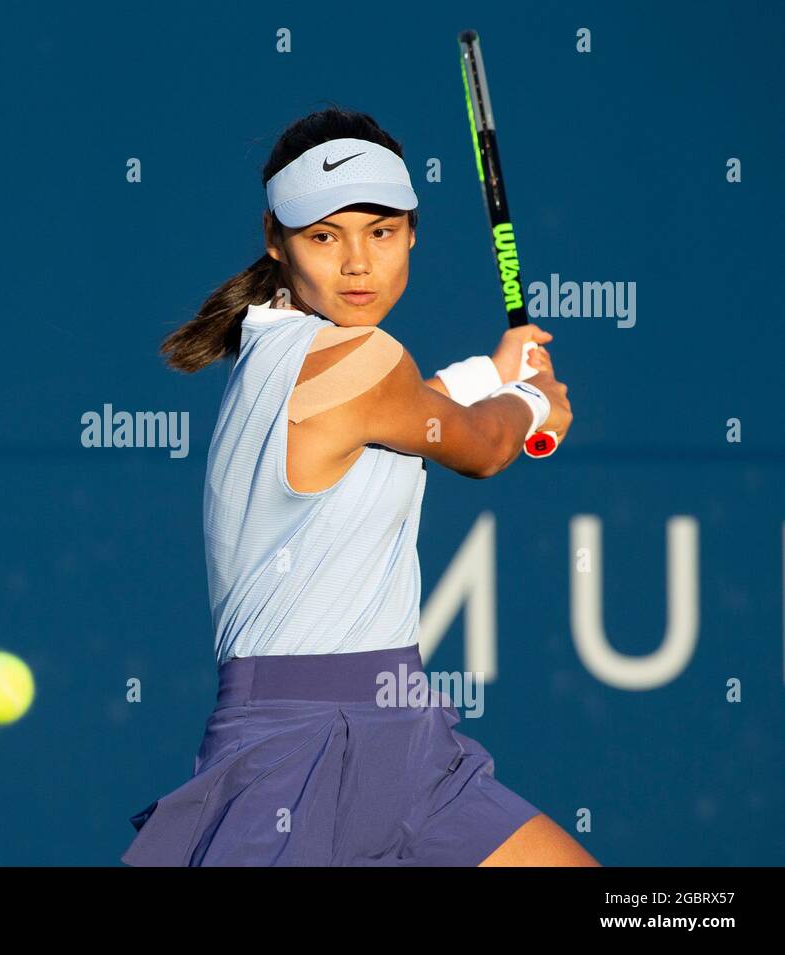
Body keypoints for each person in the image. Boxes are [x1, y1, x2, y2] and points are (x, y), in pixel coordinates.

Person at [120, 106, 598, 866]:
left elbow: (407, 414)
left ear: (412, 232)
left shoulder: (300, 351)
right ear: (276, 241)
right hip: (292, 752)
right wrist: (535, 399)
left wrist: (493, 373)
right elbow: (482, 446)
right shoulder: (358, 361)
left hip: (409, 738)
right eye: (323, 236)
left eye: (379, 232)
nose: (356, 264)